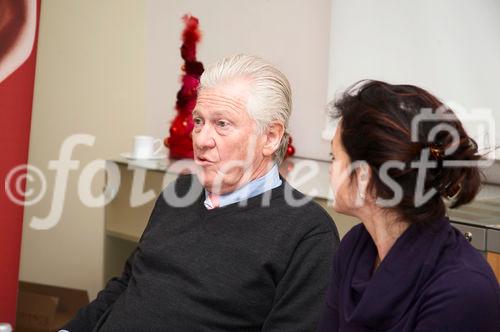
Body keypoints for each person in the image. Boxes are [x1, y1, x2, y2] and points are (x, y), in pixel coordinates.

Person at [62, 54, 339, 331]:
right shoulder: (179, 194)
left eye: (222, 124)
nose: (202, 140)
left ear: (270, 137)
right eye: (198, 122)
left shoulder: (308, 234)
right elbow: (128, 283)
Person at [317, 80, 500, 331]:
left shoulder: (462, 291)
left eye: (334, 157)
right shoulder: (355, 247)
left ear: (363, 177)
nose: (330, 169)